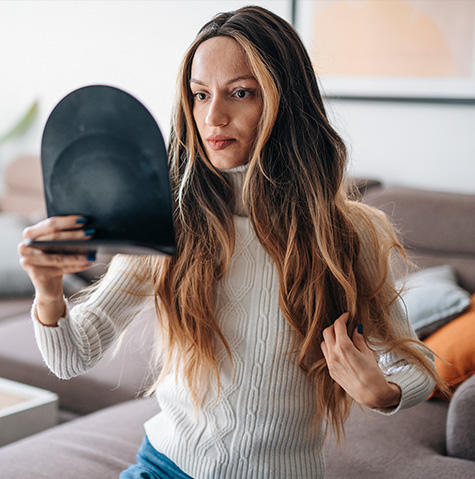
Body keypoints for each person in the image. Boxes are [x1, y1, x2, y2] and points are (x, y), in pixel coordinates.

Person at [18, 6, 448, 478]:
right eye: (199, 95)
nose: (213, 117)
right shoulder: (173, 221)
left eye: (239, 93)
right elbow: (70, 357)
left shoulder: (347, 233)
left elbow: (418, 363)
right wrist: (48, 289)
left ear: (285, 100)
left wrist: (382, 392)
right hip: (165, 467)